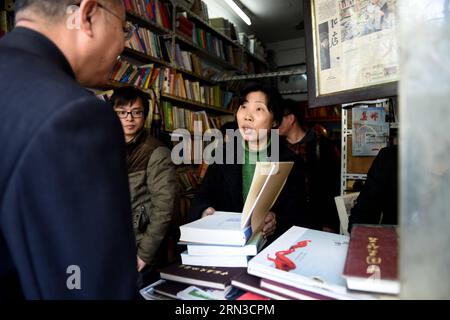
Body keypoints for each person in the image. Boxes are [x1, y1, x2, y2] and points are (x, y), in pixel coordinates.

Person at [0, 0, 137, 299]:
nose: (123, 45)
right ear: (88, 15)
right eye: (124, 29)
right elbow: (90, 286)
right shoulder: (76, 114)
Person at [189, 82, 308, 241]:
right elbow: (202, 197)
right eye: (243, 107)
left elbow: (300, 213)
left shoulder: (290, 160)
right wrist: (204, 211)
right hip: (229, 246)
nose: (247, 116)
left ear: (274, 121)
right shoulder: (224, 155)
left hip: (271, 249)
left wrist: (276, 220)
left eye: (258, 109)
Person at [110, 86, 178, 288]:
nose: (129, 118)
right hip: (111, 243)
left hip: (138, 245)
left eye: (136, 112)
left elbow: (164, 207)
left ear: (145, 116)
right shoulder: (105, 145)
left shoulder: (156, 151)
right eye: (122, 113)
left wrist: (144, 255)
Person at [278, 99, 341, 233]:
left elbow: (332, 185)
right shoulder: (275, 147)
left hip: (316, 220)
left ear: (291, 119)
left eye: (278, 118)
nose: (274, 123)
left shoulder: (322, 144)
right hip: (285, 222)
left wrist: (329, 223)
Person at [348, 145, 398, 233]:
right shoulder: (390, 156)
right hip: (393, 238)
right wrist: (358, 234)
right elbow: (368, 204)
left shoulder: (389, 155)